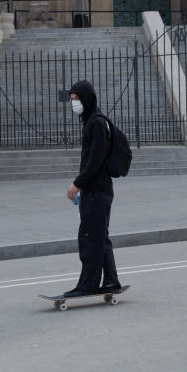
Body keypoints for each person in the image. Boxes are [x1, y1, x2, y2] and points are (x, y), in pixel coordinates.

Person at [63, 80, 121, 297]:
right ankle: (111, 280)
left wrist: (77, 183)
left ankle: (88, 284)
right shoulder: (93, 121)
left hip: (96, 190)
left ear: (86, 98)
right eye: (72, 99)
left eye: (76, 99)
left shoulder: (95, 123)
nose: (74, 103)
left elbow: (95, 160)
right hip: (99, 189)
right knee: (99, 236)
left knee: (89, 237)